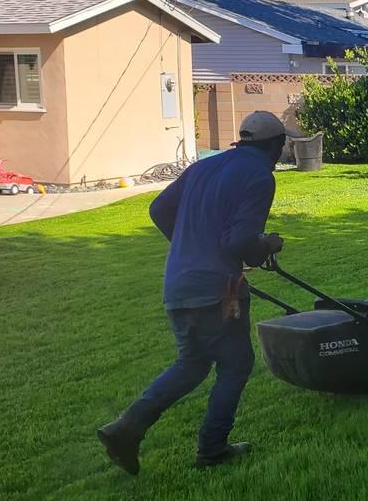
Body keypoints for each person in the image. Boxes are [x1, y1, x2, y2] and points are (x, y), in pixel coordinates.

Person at [97, 111, 301, 475]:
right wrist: (267, 244)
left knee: (192, 364)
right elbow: (241, 242)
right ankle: (212, 448)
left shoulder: (205, 166)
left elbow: (159, 209)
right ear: (275, 146)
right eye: (281, 145)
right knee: (236, 364)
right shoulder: (259, 175)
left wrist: (192, 246)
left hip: (179, 283)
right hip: (218, 291)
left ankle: (126, 428)